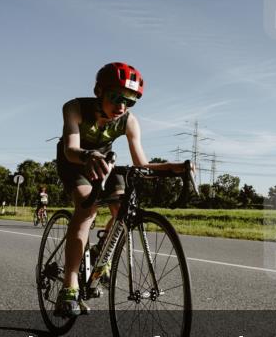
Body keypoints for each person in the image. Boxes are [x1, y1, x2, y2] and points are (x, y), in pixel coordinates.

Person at [54, 62, 193, 317]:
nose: (122, 106)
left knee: (123, 209)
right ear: (99, 90)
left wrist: (173, 167)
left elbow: (142, 164)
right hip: (75, 160)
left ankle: (100, 252)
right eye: (116, 98)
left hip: (105, 160)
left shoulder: (129, 121)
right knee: (87, 209)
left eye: (129, 102)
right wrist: (88, 156)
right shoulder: (74, 108)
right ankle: (69, 286)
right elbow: (70, 149)